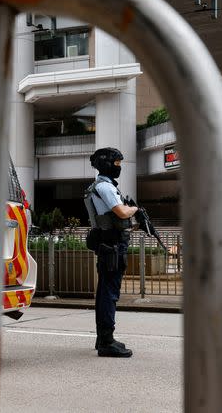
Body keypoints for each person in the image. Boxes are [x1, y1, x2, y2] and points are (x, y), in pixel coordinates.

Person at [84, 147, 138, 358]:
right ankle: (107, 341)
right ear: (106, 164)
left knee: (105, 292)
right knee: (109, 293)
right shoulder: (105, 187)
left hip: (110, 243)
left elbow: (116, 220)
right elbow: (121, 211)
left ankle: (103, 339)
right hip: (112, 246)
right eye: (116, 164)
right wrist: (134, 209)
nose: (119, 167)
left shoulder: (99, 186)